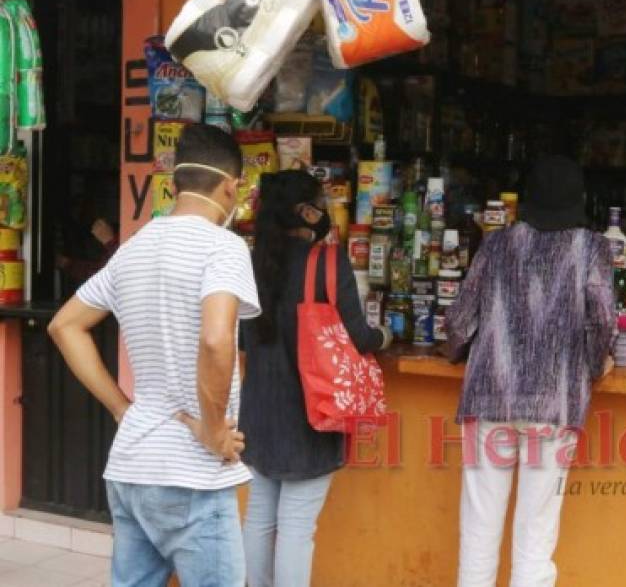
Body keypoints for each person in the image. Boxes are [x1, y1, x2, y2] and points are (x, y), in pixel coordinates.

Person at [48, 124, 260, 587]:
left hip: (131, 466)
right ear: (231, 186)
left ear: (173, 184)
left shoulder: (131, 249)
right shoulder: (224, 247)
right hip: (192, 477)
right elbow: (217, 339)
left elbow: (64, 326)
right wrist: (213, 429)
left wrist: (122, 408)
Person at [447, 155, 616, 587]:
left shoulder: (497, 244)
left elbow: (460, 318)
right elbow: (602, 319)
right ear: (577, 200)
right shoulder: (590, 247)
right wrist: (597, 364)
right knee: (535, 539)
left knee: (478, 532)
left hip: (489, 399)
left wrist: (456, 352)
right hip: (552, 406)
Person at [240, 169, 392, 587]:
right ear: (307, 212)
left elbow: (239, 339)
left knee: (258, 518)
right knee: (295, 529)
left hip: (258, 413)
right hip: (312, 413)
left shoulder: (247, 263)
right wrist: (386, 334)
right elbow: (359, 336)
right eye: (321, 204)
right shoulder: (326, 261)